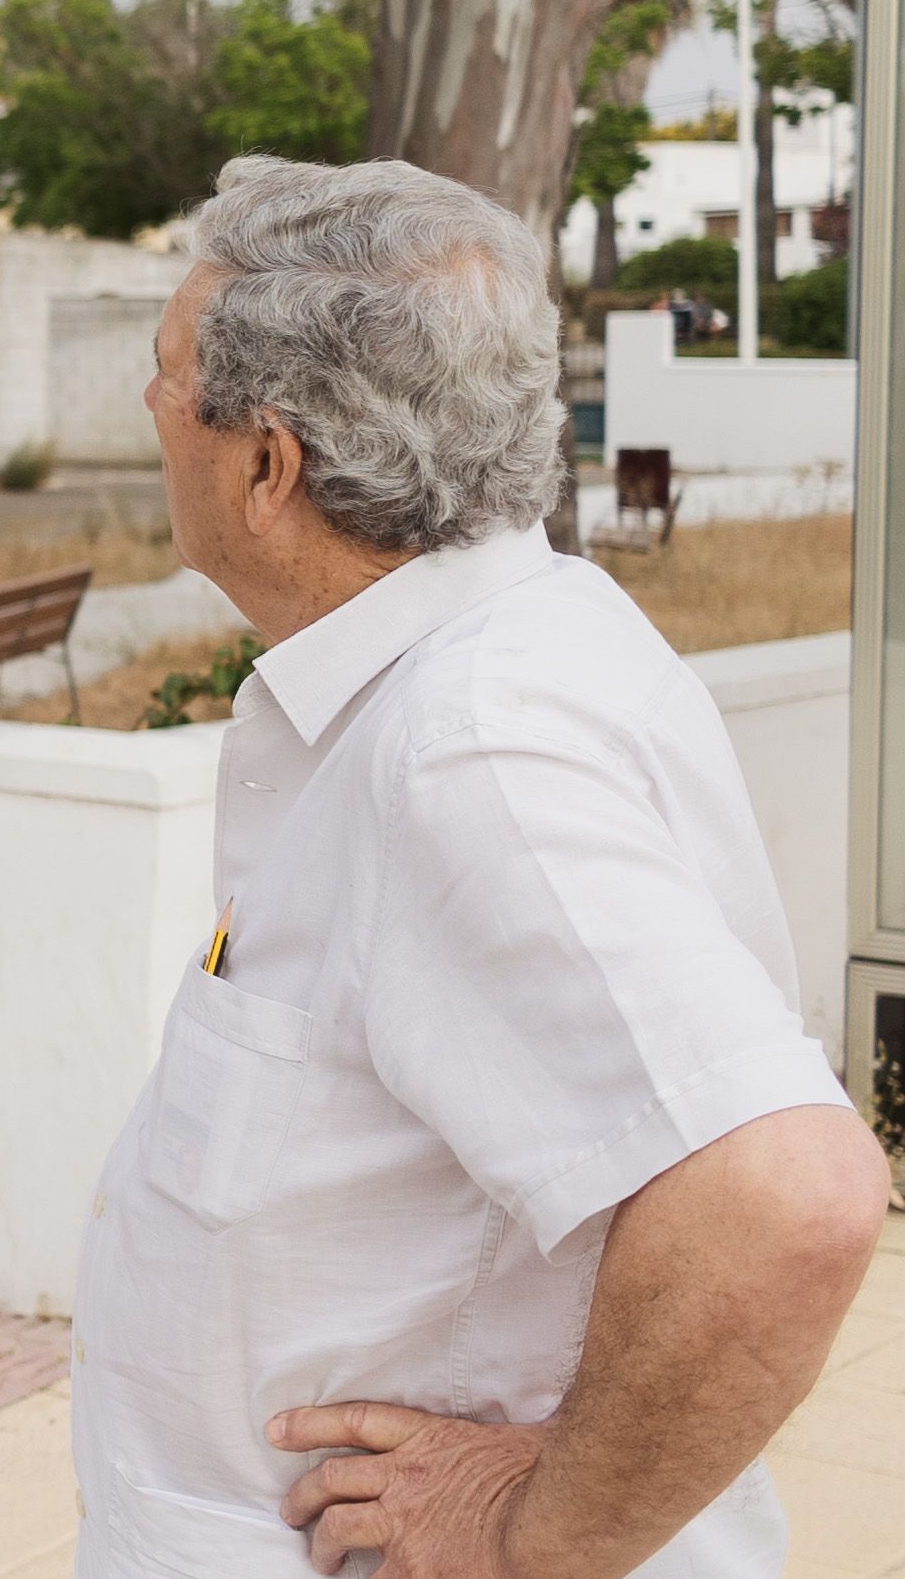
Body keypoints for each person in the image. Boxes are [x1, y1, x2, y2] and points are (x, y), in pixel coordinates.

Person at [75, 156, 890, 1577]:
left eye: (166, 374)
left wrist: (530, 1535)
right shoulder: (485, 662)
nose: (151, 408)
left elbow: (788, 1196)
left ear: (271, 466)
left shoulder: (469, 757)